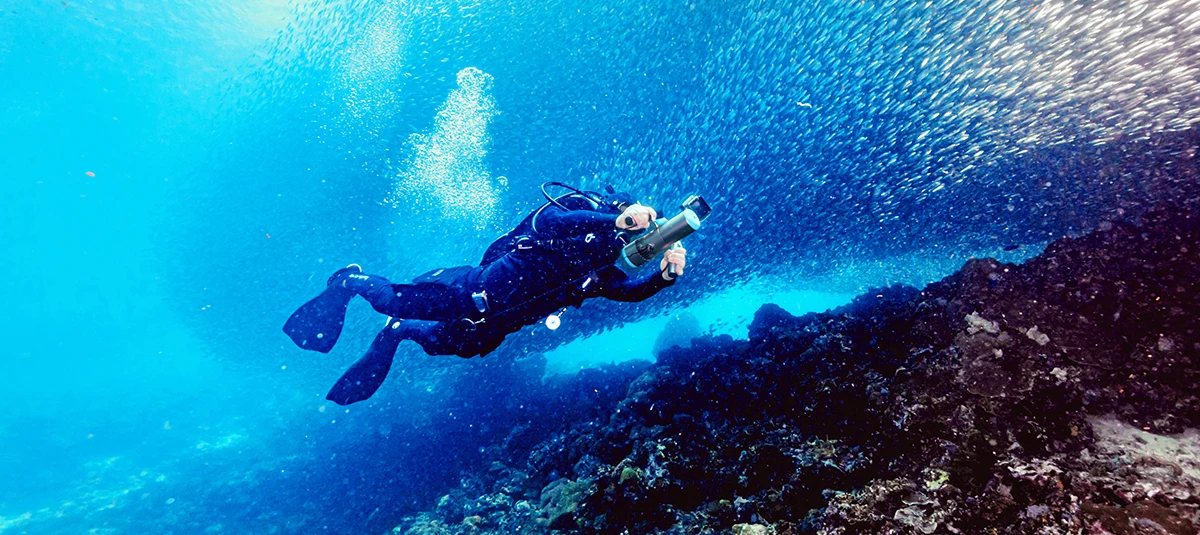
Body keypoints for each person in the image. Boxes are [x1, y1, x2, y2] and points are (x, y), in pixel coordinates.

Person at [283, 185, 688, 405]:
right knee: (389, 299)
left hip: (491, 328)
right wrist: (612, 218)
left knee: (438, 346)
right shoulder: (571, 211)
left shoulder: (598, 270)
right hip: (466, 292)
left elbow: (629, 294)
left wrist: (664, 277)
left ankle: (398, 331)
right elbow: (551, 221)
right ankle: (349, 279)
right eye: (627, 223)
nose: (625, 235)